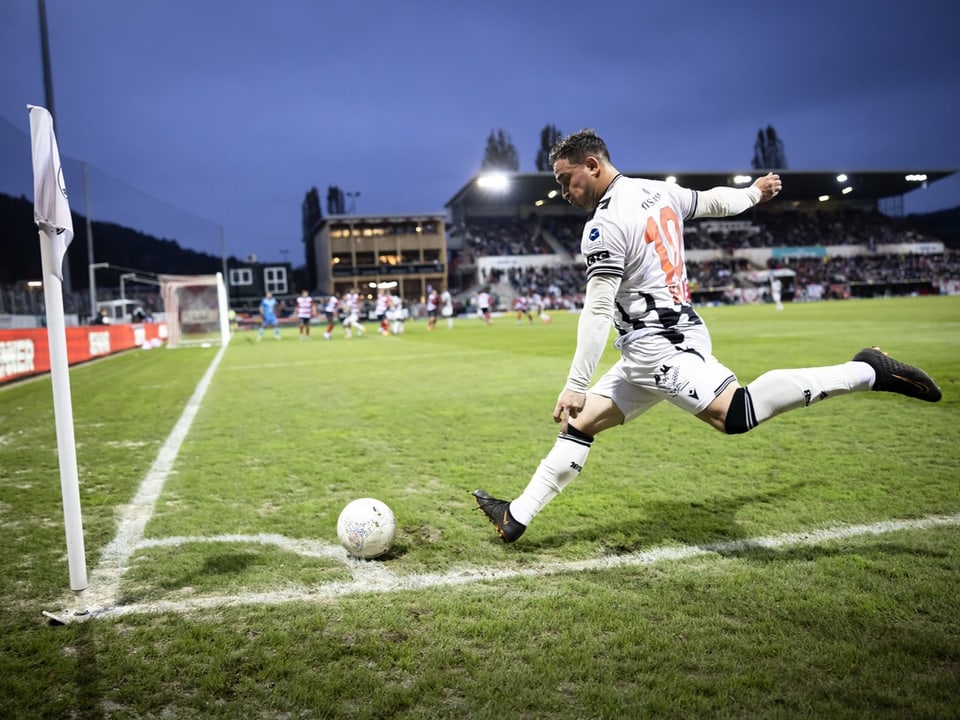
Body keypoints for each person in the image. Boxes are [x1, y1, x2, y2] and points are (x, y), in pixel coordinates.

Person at [473, 129, 942, 544]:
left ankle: (865, 371)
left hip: (661, 346)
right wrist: (753, 194)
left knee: (734, 414)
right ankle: (516, 516)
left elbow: (597, 309)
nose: (562, 191)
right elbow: (716, 201)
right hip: (651, 346)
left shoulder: (604, 225)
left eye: (565, 179)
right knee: (579, 423)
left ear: (593, 165)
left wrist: (577, 381)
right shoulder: (659, 192)